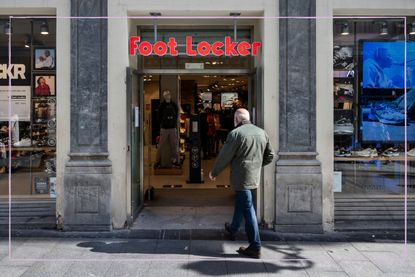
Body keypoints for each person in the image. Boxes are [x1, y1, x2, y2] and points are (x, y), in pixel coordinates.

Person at [209, 108, 274, 259]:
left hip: (241, 178)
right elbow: (270, 155)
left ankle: (255, 246)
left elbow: (224, 156)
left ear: (236, 119)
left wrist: (214, 172)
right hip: (253, 176)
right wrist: (256, 165)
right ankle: (233, 228)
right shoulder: (261, 132)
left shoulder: (235, 134)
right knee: (242, 202)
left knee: (248, 209)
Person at [155, 90, 179, 168]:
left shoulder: (172, 105)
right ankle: (157, 161)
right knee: (161, 145)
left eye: (168, 94)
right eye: (166, 95)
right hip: (166, 128)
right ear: (164, 96)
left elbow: (176, 115)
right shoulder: (162, 105)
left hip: (171, 128)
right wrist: (163, 123)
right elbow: (158, 116)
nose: (168, 95)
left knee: (173, 145)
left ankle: (175, 161)